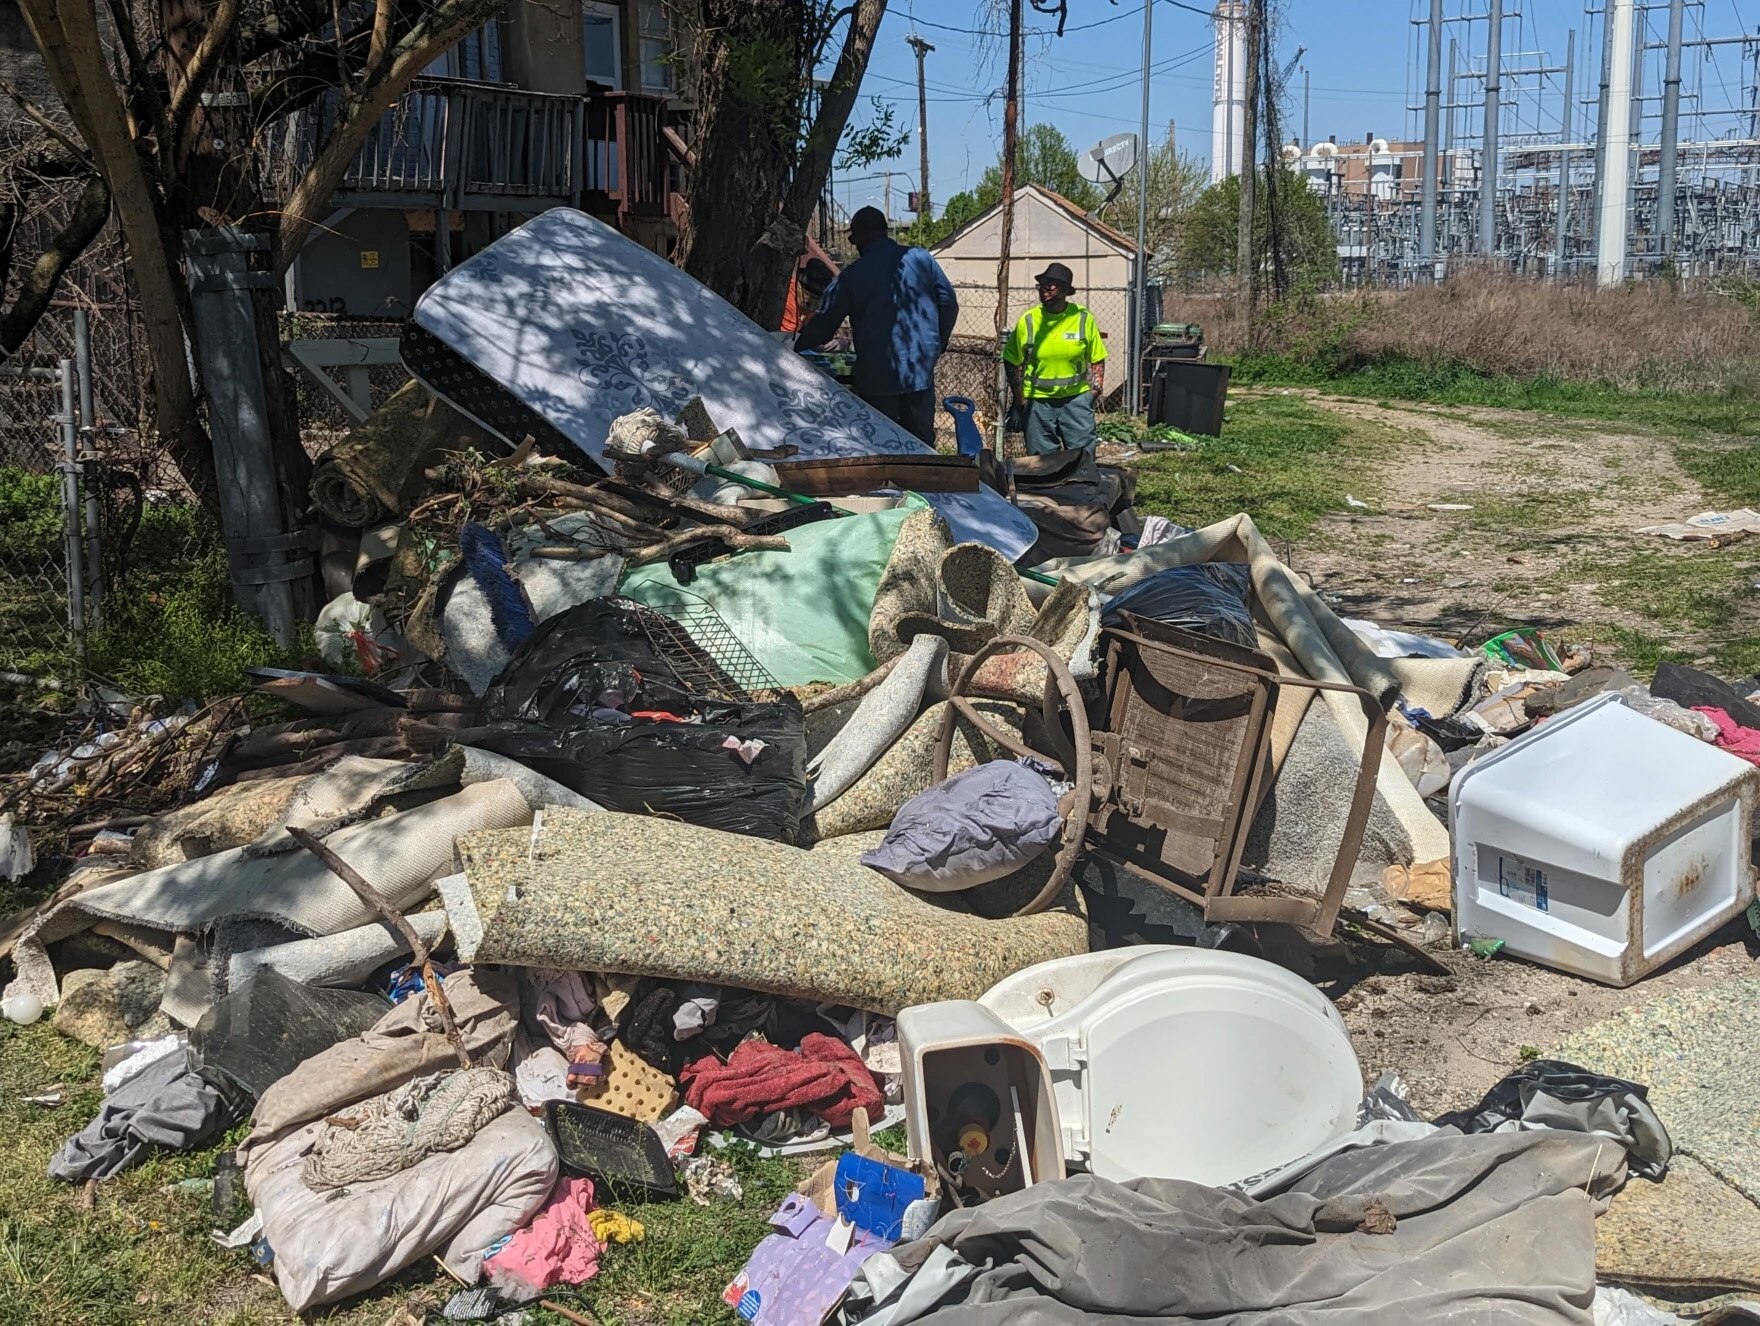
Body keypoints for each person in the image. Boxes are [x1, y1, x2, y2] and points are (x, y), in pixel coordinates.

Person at [794, 207, 959, 445]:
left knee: (881, 443)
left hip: (877, 376)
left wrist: (794, 349)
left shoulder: (853, 275)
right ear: (885, 232)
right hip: (919, 371)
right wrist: (937, 344)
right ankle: (925, 480)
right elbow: (949, 304)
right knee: (921, 444)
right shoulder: (922, 259)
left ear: (859, 238)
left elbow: (824, 324)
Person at [1001, 262, 1108, 454]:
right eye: (1041, 286)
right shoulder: (1029, 320)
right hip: (1038, 403)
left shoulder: (1082, 318)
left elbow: (1097, 357)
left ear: (1066, 290)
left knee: (1082, 459)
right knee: (1042, 463)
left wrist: (1095, 391)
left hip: (1075, 400)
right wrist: (1020, 398)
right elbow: (1011, 360)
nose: (1044, 290)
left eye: (1050, 285)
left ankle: (1081, 484)